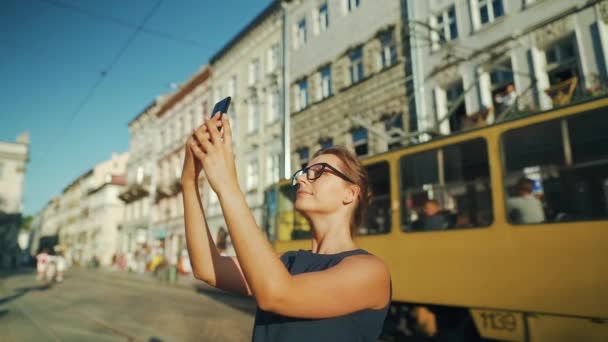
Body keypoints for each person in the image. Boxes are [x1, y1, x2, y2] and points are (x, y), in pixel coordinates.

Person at [182, 114, 391, 341]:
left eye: (318, 172)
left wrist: (227, 185)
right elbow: (207, 268)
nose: (301, 179)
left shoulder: (371, 271)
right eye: (302, 173)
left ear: (350, 193)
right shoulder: (287, 263)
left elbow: (277, 294)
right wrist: (189, 181)